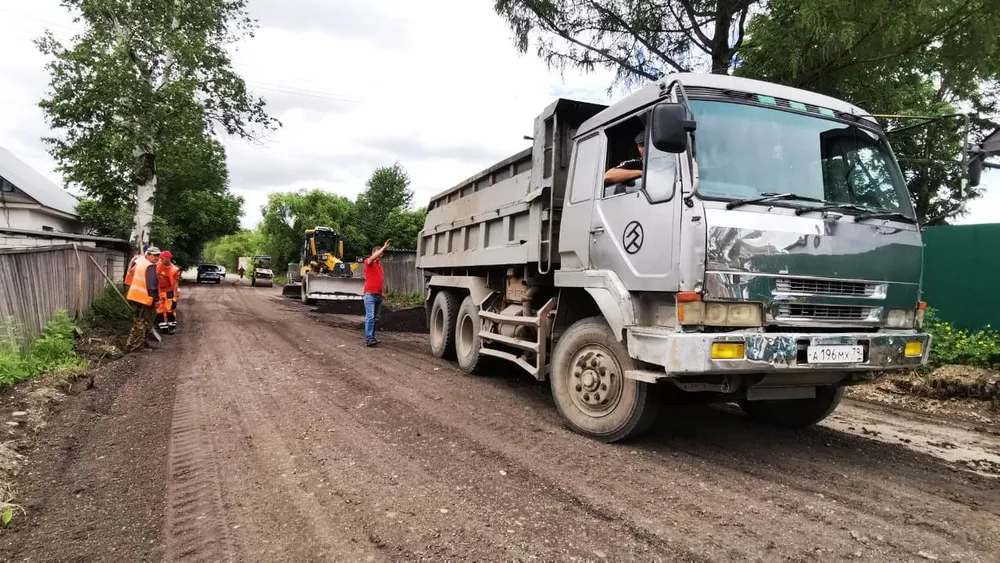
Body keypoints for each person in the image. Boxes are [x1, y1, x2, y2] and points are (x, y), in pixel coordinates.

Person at [125, 246, 161, 351]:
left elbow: (131, 273)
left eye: (158, 255)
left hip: (137, 297)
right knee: (142, 323)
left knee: (139, 322)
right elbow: (152, 285)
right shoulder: (149, 266)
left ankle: (133, 344)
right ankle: (136, 347)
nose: (157, 257)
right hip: (143, 299)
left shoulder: (141, 263)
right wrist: (155, 300)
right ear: (148, 255)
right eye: (154, 255)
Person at [362, 239, 391, 347]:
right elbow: (373, 257)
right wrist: (384, 247)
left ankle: (372, 337)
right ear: (373, 253)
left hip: (378, 295)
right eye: (379, 253)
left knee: (376, 318)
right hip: (370, 295)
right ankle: (369, 338)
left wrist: (382, 292)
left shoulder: (380, 266)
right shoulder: (368, 262)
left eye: (382, 253)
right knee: (370, 317)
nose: (381, 255)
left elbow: (380, 280)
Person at [156, 250, 181, 334]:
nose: (161, 260)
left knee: (169, 310)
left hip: (169, 291)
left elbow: (175, 284)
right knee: (159, 310)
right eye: (161, 258)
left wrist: (174, 298)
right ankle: (163, 327)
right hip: (159, 291)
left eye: (163, 258)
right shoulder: (158, 266)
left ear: (168, 258)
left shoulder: (174, 270)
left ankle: (171, 327)